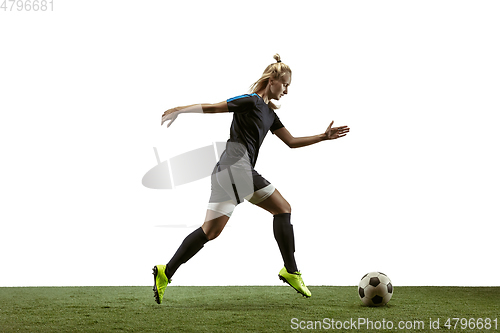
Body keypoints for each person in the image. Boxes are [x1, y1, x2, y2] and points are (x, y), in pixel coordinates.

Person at [153, 54, 350, 304]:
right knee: (283, 208)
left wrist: (324, 137)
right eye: (285, 84)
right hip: (236, 168)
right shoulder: (250, 101)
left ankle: (166, 272)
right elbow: (215, 107)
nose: (287, 91)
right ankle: (291, 270)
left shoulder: (270, 114)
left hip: (227, 173)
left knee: (210, 231)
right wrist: (180, 110)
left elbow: (291, 142)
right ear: (272, 80)